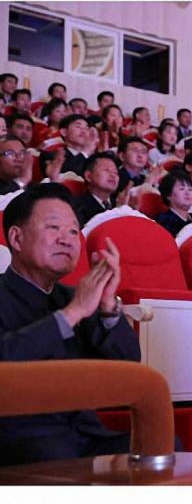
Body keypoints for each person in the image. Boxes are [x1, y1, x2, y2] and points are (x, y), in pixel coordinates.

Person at [0, 183, 140, 466]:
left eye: (74, 231)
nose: (67, 239)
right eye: (54, 228)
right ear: (16, 238)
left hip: (85, 435)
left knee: (160, 449)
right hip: (20, 439)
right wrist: (72, 313)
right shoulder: (76, 302)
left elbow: (128, 367)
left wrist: (108, 306)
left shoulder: (81, 295)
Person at [156, 171, 192, 237]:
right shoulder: (163, 219)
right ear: (168, 195)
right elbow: (182, 239)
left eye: (190, 189)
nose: (187, 193)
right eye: (182, 189)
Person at [73, 153, 120, 227]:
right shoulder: (77, 206)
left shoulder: (119, 205)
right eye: (106, 170)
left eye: (116, 172)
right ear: (88, 176)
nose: (113, 175)